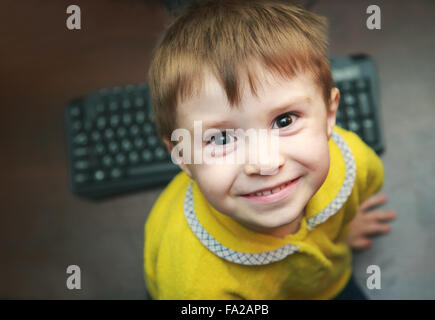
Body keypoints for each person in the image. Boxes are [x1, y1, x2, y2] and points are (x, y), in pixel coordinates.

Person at [143, 0, 396, 299]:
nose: (264, 163)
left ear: (329, 115)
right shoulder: (194, 284)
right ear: (182, 155)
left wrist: (344, 226)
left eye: (284, 120)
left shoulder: (354, 162)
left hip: (327, 279)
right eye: (222, 139)